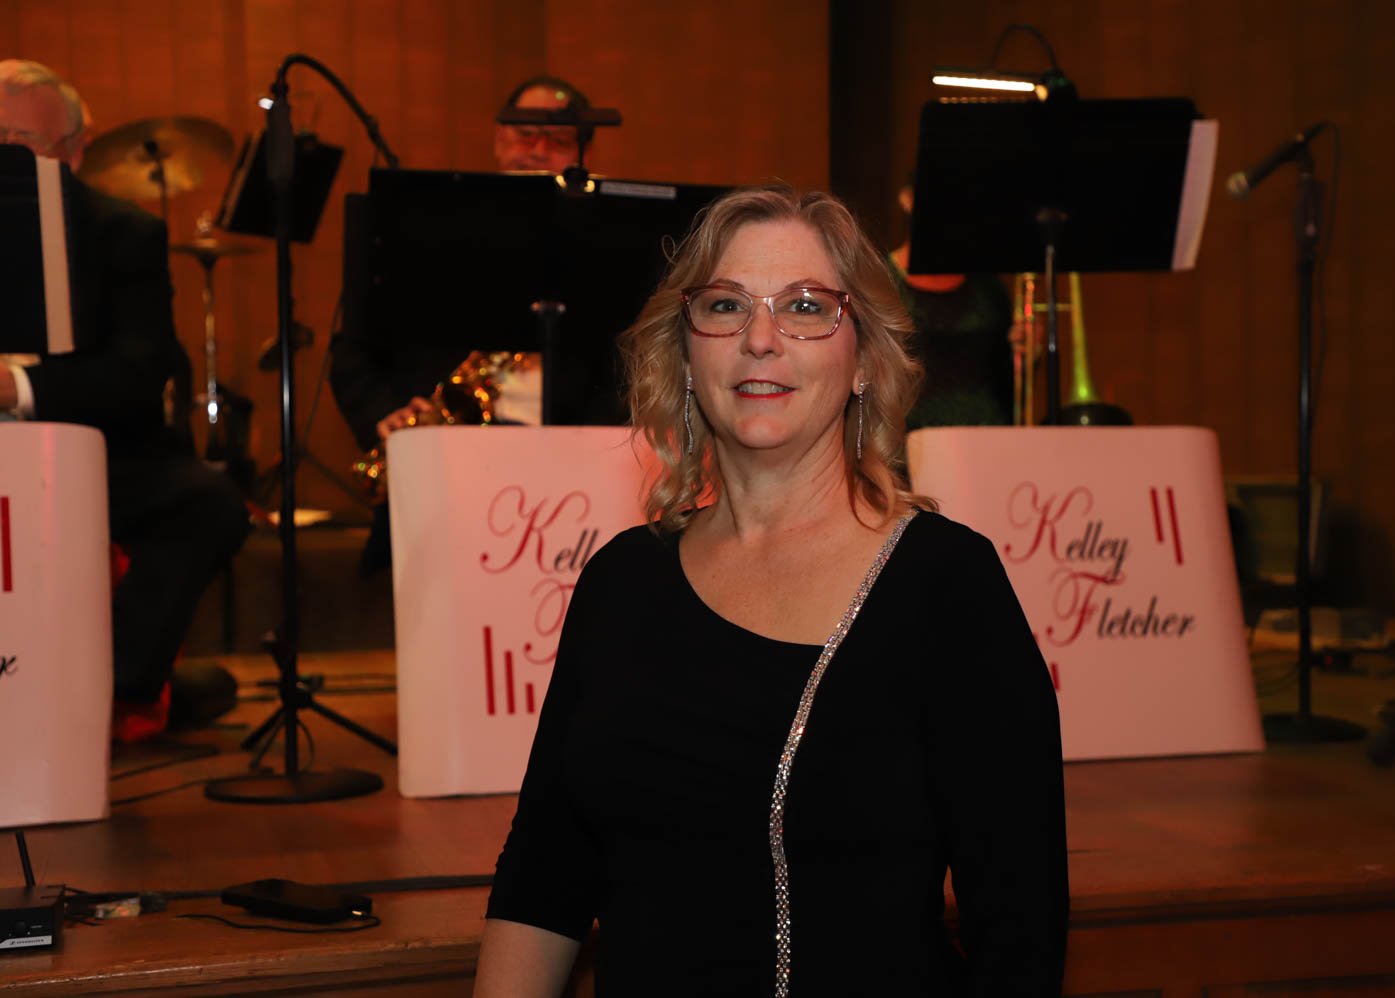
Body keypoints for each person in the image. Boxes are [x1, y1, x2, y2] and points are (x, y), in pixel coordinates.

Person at [476, 186, 1069, 996]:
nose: (760, 339)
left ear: (865, 360)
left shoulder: (947, 586)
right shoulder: (620, 580)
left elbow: (1020, 941)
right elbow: (544, 876)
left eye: (806, 307)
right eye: (725, 306)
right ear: (685, 356)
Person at [0, 60, 250, 739]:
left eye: (24, 143)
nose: (7, 158)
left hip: (80, 448)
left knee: (208, 503)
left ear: (74, 151)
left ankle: (105, 686)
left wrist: (17, 387)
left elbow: (138, 371)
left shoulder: (121, 231)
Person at [328, 74, 597, 574]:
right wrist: (384, 416)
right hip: (446, 472)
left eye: (558, 139)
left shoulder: (608, 246)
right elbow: (350, 353)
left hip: (580, 485)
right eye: (525, 134)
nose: (538, 150)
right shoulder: (425, 225)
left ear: (584, 152)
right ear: (498, 140)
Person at [888, 181, 1015, 428]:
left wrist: (1025, 353)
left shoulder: (988, 285)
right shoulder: (881, 278)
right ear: (907, 199)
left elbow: (1002, 371)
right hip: (908, 436)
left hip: (985, 431)